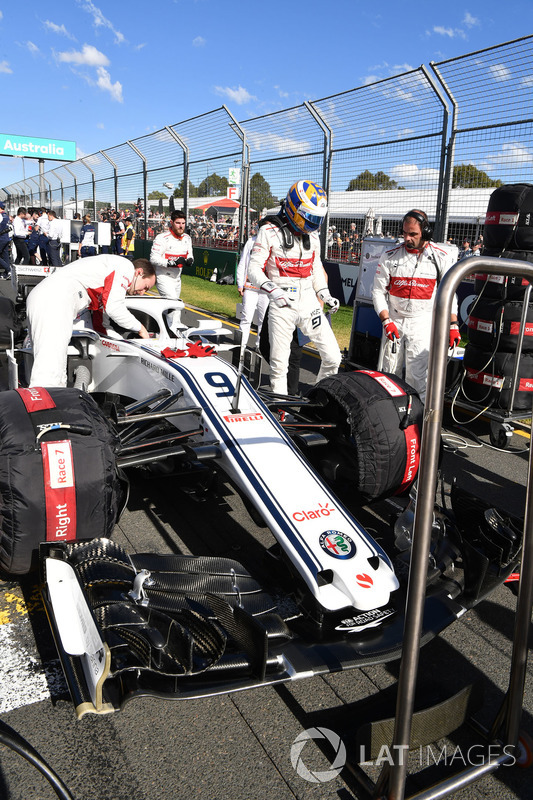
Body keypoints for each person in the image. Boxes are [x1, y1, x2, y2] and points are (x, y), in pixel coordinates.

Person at [246, 180, 341, 396]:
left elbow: (316, 268)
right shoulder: (268, 231)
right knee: (279, 366)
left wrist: (324, 294)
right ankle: (282, 412)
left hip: (308, 301)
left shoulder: (313, 236)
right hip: (281, 303)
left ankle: (320, 399)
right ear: (293, 207)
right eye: (309, 218)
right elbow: (254, 268)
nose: (312, 224)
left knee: (333, 357)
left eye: (318, 219)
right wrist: (272, 289)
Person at [27, 255, 156, 388]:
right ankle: (42, 406)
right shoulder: (126, 267)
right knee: (49, 372)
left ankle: (52, 403)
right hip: (54, 298)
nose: (142, 293)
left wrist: (121, 343)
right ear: (139, 272)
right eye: (145, 287)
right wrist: (141, 329)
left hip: (50, 297)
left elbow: (101, 323)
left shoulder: (109, 275)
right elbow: (114, 308)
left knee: (57, 371)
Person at [372, 209, 460, 403]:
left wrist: (453, 325)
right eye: (404, 233)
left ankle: (417, 422)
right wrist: (386, 321)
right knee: (388, 374)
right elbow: (377, 292)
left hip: (422, 323)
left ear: (426, 232)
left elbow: (450, 293)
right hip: (394, 320)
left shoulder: (441, 257)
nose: (407, 238)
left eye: (413, 234)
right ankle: (391, 419)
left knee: (418, 378)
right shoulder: (390, 256)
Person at [150, 210, 193, 332]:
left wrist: (190, 260)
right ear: (171, 223)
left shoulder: (187, 238)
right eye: (178, 223)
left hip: (177, 277)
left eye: (183, 223)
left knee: (175, 306)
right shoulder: (162, 238)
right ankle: (173, 330)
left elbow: (190, 254)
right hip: (163, 276)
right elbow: (153, 258)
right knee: (173, 302)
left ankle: (169, 327)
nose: (181, 226)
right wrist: (170, 262)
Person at [236, 231, 268, 349]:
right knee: (246, 317)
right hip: (250, 287)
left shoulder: (274, 242)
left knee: (263, 320)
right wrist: (240, 283)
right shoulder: (251, 242)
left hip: (266, 288)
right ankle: (241, 345)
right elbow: (243, 262)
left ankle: (260, 347)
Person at [0, 201, 11, 278]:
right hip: (6, 237)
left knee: (5, 255)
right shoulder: (6, 216)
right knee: (5, 255)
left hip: (1, 238)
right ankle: (7, 273)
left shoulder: (0, 216)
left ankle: (9, 269)